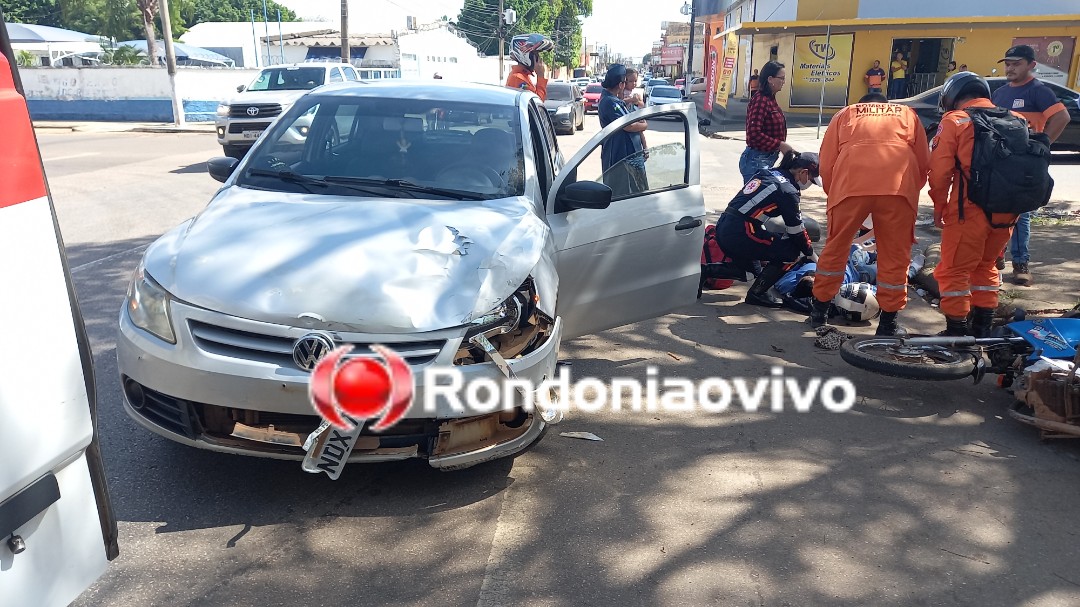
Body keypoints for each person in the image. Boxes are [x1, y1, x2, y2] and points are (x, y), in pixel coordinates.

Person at [808, 91, 930, 336]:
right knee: (895, 255)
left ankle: (819, 312)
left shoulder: (846, 113)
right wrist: (908, 193)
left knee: (836, 247)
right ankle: (888, 324)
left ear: (861, 105)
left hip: (850, 185)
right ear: (886, 106)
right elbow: (923, 162)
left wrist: (834, 195)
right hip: (898, 188)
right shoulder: (908, 114)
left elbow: (827, 162)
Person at [929, 72, 1025, 336]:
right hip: (1007, 211)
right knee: (986, 266)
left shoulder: (956, 120)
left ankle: (956, 332)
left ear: (952, 96)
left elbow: (940, 172)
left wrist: (939, 206)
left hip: (969, 210)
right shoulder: (1016, 119)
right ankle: (982, 328)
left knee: (954, 271)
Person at [990, 44, 1070, 286]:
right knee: (997, 209)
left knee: (1021, 214)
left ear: (1031, 65)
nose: (1011, 68)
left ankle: (1021, 263)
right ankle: (996, 256)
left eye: (1017, 63)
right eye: (1008, 63)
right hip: (1003, 162)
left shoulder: (1038, 91)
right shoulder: (1000, 93)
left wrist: (1042, 144)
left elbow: (1062, 117)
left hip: (1027, 165)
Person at [715, 151, 821, 308]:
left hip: (725, 226)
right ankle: (757, 294)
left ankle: (705, 271)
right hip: (741, 232)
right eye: (811, 180)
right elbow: (796, 231)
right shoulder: (788, 191)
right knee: (790, 252)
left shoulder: (769, 172)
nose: (810, 184)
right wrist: (813, 256)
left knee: (750, 272)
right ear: (803, 172)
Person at [597, 64, 648, 196]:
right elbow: (628, 126)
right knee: (623, 195)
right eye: (625, 82)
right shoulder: (611, 102)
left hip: (628, 155)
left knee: (636, 193)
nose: (627, 85)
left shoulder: (613, 100)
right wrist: (644, 125)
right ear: (620, 85)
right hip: (620, 158)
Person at [739, 61, 794, 183]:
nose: (784, 82)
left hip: (765, 160)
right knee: (756, 200)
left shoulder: (770, 99)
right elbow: (754, 134)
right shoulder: (760, 100)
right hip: (756, 161)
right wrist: (780, 145)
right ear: (770, 79)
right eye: (781, 78)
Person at [506, 33, 551, 101]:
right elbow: (537, 102)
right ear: (525, 55)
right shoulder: (518, 78)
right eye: (536, 54)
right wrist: (541, 76)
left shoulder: (523, 76)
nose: (539, 59)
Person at [622, 67, 649, 159]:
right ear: (625, 81)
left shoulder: (636, 93)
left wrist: (637, 102)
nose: (634, 83)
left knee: (640, 131)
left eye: (635, 81)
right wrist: (630, 100)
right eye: (631, 81)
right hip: (626, 117)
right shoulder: (622, 92)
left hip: (635, 115)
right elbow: (620, 102)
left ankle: (645, 148)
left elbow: (642, 105)